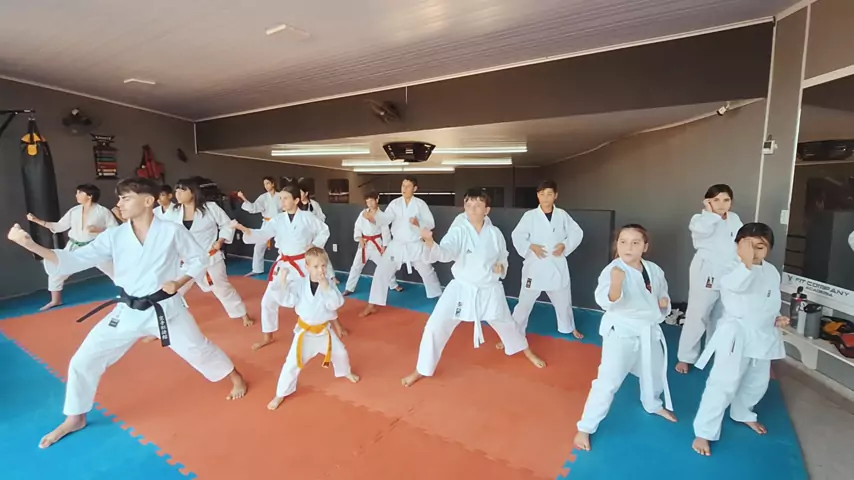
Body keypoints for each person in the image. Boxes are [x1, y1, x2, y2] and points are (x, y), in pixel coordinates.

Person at [6, 177, 247, 449]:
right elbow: (73, 260)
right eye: (119, 198)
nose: (119, 203)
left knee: (198, 349)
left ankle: (235, 376)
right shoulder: (115, 235)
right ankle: (75, 417)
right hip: (127, 310)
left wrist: (179, 281)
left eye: (126, 198)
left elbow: (198, 258)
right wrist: (31, 245)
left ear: (148, 201)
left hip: (165, 308)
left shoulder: (171, 231)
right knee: (83, 360)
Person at [401, 189, 544, 388]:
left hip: (489, 289)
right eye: (468, 205)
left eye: (477, 205)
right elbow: (445, 253)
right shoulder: (459, 231)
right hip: (461, 287)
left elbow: (503, 256)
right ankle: (422, 368)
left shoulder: (495, 234)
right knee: (435, 326)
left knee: (507, 324)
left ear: (487, 210)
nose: (472, 209)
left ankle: (526, 351)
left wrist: (501, 266)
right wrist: (430, 242)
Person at [574, 224, 676, 452]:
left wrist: (663, 303)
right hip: (622, 332)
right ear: (617, 245)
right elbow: (606, 301)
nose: (628, 247)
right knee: (608, 381)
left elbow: (662, 293)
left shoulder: (653, 269)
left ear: (645, 247)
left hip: (647, 330)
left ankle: (653, 404)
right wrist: (617, 284)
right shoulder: (613, 270)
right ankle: (586, 427)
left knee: (654, 371)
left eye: (635, 242)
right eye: (623, 242)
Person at [691, 223, 789, 456]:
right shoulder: (730, 268)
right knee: (723, 383)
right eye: (748, 245)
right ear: (738, 246)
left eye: (760, 247)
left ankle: (743, 412)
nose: (753, 251)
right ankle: (704, 431)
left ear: (769, 249)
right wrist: (745, 262)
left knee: (757, 382)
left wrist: (776, 317)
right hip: (736, 335)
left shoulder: (771, 272)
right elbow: (734, 286)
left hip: (763, 334)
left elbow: (769, 300)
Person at [232, 184, 330, 350]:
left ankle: (324, 329)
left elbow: (324, 231)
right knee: (268, 301)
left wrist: (314, 245)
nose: (282, 201)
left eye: (285, 198)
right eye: (280, 198)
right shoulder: (277, 220)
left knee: (310, 299)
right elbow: (263, 234)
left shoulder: (307, 217)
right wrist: (245, 230)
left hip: (302, 265)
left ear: (296, 200)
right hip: (284, 265)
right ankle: (267, 336)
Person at [267, 247, 359, 410]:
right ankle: (280, 393)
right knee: (292, 363)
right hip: (305, 333)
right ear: (307, 267)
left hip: (324, 331)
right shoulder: (299, 284)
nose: (320, 270)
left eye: (323, 266)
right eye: (316, 266)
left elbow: (336, 304)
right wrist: (282, 281)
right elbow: (288, 301)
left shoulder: (329, 283)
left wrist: (326, 287)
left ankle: (345, 372)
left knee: (341, 353)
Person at [164, 177, 253, 327]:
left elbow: (227, 224)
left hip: (210, 258)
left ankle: (242, 314)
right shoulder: (173, 211)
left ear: (193, 192)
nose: (178, 194)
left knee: (222, 288)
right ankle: (164, 321)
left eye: (182, 190)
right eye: (176, 190)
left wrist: (220, 241)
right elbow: (163, 231)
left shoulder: (210, 207)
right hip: (185, 261)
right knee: (173, 290)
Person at [676, 184, 743, 374]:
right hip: (706, 271)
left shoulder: (735, 218)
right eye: (716, 200)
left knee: (721, 315)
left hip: (729, 272)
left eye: (726, 200)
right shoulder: (699, 220)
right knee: (698, 315)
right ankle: (685, 357)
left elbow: (740, 243)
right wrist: (710, 213)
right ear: (707, 201)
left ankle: (713, 351)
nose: (721, 204)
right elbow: (702, 232)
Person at [509, 180, 584, 341]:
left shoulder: (562, 215)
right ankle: (513, 332)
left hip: (556, 264)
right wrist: (530, 247)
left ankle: (569, 327)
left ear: (555, 196)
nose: (545, 197)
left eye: (549, 194)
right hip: (535, 265)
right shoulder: (530, 216)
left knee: (563, 300)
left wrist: (565, 245)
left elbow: (577, 232)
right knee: (524, 303)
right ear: (538, 195)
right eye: (542, 194)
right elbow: (517, 235)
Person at [359, 176, 442, 317]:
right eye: (403, 185)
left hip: (415, 245)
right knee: (381, 271)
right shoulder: (395, 204)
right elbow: (385, 219)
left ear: (415, 189)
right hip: (397, 245)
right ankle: (372, 304)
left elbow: (431, 223)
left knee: (427, 271)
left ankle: (440, 298)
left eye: (408, 186)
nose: (404, 188)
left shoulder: (420, 204)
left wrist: (419, 222)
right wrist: (373, 218)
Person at [27, 184, 118, 311]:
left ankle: (132, 292)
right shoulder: (74, 211)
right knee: (57, 272)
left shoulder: (103, 212)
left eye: (79, 193)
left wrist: (98, 230)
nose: (76, 195)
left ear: (89, 196)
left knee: (115, 272)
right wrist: (37, 221)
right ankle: (56, 300)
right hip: (74, 247)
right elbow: (59, 226)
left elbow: (115, 230)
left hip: (95, 247)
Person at [343, 190, 402, 296]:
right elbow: (357, 226)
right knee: (356, 266)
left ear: (377, 200)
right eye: (367, 201)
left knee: (385, 266)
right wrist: (360, 238)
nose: (369, 203)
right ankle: (349, 288)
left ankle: (393, 285)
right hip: (364, 244)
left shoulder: (382, 215)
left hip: (376, 244)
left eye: (371, 201)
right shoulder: (363, 213)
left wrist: (385, 246)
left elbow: (385, 231)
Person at [237, 176, 281, 276]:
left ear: (273, 184)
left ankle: (282, 269)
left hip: (280, 223)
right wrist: (243, 198)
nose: (266, 186)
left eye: (268, 183)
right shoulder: (263, 197)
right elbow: (254, 207)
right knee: (259, 246)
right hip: (267, 223)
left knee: (283, 246)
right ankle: (257, 269)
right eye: (264, 184)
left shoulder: (280, 196)